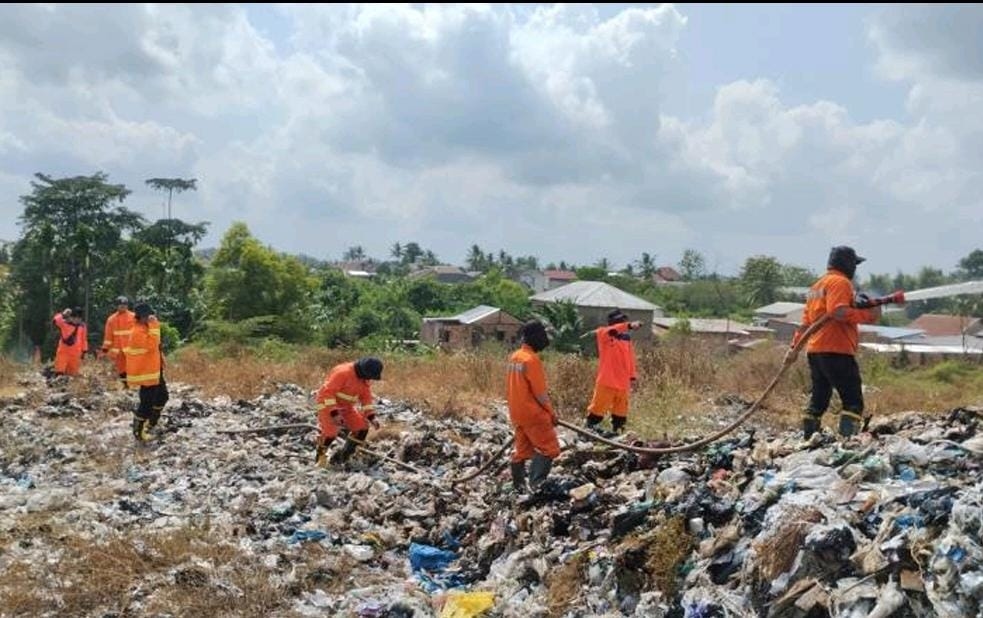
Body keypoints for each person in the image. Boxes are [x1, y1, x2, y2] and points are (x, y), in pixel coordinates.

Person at [789, 246, 880, 439]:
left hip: (815, 351)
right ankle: (847, 441)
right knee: (853, 400)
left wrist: (794, 348)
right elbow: (838, 311)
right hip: (836, 349)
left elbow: (805, 323)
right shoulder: (841, 282)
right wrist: (868, 315)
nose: (855, 270)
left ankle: (809, 439)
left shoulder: (817, 287)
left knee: (819, 398)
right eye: (854, 264)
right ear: (847, 264)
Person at [507, 320, 560, 493]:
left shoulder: (515, 356)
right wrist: (551, 413)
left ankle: (519, 488)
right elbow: (540, 394)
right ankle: (536, 486)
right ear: (536, 337)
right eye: (544, 335)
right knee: (549, 448)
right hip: (533, 414)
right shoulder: (531, 360)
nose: (545, 340)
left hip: (517, 413)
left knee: (522, 451)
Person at [313, 357, 384, 466]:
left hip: (346, 407)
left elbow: (366, 399)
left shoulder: (364, 379)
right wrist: (334, 413)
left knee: (362, 428)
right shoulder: (343, 373)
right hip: (327, 404)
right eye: (369, 376)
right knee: (330, 433)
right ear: (364, 371)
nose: (370, 379)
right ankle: (320, 457)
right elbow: (327, 393)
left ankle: (344, 457)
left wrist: (371, 417)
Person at [584, 309, 641, 435]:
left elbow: (630, 358)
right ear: (612, 322)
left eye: (623, 320)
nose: (622, 322)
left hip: (623, 383)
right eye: (620, 320)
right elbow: (614, 330)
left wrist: (632, 376)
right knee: (598, 409)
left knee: (620, 413)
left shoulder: (626, 338)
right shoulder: (604, 334)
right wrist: (630, 325)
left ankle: (618, 434)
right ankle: (588, 432)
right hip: (607, 381)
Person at [125, 302, 169, 442]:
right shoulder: (137, 331)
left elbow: (157, 347)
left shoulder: (145, 327)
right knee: (146, 404)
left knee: (163, 397)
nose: (151, 318)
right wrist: (155, 326)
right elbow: (152, 345)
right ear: (141, 317)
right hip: (147, 374)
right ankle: (138, 432)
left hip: (155, 370)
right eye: (148, 316)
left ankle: (151, 423)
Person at [101, 296, 135, 389]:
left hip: (131, 348)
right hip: (117, 350)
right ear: (117, 306)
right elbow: (108, 336)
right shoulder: (111, 319)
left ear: (127, 305)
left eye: (124, 304)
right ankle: (126, 385)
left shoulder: (134, 317)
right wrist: (105, 348)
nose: (123, 306)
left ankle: (133, 385)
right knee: (121, 369)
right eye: (121, 305)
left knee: (132, 367)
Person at [52, 307, 88, 377]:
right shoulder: (64, 323)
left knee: (72, 375)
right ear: (71, 317)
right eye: (74, 317)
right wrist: (63, 314)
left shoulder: (82, 326)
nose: (76, 320)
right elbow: (55, 320)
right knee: (60, 372)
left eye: (78, 318)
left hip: (76, 354)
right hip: (63, 353)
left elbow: (84, 339)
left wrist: (84, 351)